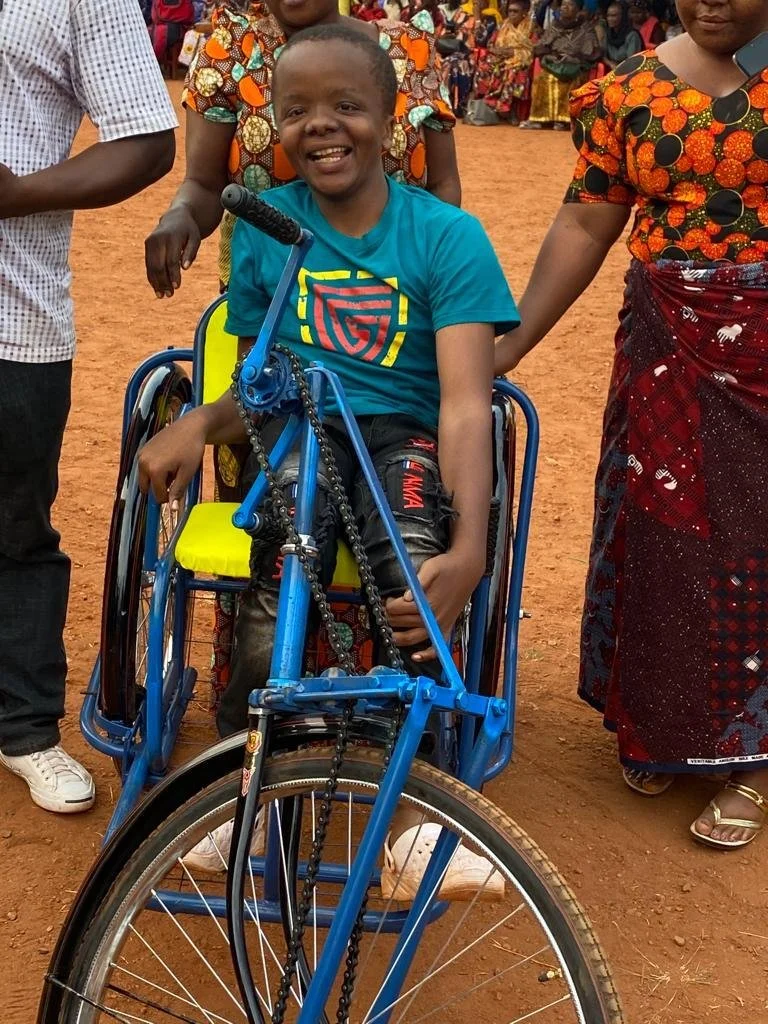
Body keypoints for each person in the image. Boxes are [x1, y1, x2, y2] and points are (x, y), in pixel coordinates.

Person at [139, 23, 519, 893]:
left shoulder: (446, 237)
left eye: (347, 105)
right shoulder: (271, 234)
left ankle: (423, 811)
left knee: (418, 572)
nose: (323, 125)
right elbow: (261, 384)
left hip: (404, 430)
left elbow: (465, 403)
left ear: (390, 121)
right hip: (301, 424)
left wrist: (471, 552)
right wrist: (198, 424)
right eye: (299, 108)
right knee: (279, 569)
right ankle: (249, 801)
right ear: (273, 123)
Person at [495, 0, 768, 850]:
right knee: (666, 534)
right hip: (666, 349)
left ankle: (753, 758)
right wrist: (509, 346)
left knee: (758, 540)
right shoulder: (629, 92)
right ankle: (667, 725)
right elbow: (587, 218)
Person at [0, 0, 176, 814]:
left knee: (16, 521)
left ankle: (25, 728)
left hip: (14, 315)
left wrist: (17, 193)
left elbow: (148, 139)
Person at [520, 0, 602, 129]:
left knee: (568, 81)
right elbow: (541, 46)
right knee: (543, 78)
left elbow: (594, 53)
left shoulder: (586, 28)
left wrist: (573, 57)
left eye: (570, 5)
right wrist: (552, 55)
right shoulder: (555, 25)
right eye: (563, 5)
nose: (565, 7)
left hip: (575, 66)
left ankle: (564, 120)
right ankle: (540, 119)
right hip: (555, 64)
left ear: (578, 10)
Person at [474, 0, 537, 124]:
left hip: (519, 60)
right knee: (484, 68)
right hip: (500, 58)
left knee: (512, 71)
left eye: (515, 11)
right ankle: (488, 105)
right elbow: (491, 43)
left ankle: (508, 109)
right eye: (510, 11)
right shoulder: (503, 26)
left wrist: (514, 53)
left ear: (524, 13)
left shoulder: (531, 28)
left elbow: (532, 48)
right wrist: (497, 51)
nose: (512, 14)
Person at [603, 1, 642, 67]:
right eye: (608, 16)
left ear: (623, 16)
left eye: (613, 16)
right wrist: (611, 64)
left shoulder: (632, 35)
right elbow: (604, 56)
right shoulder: (609, 34)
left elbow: (632, 62)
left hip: (630, 71)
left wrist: (618, 69)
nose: (609, 19)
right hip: (613, 70)